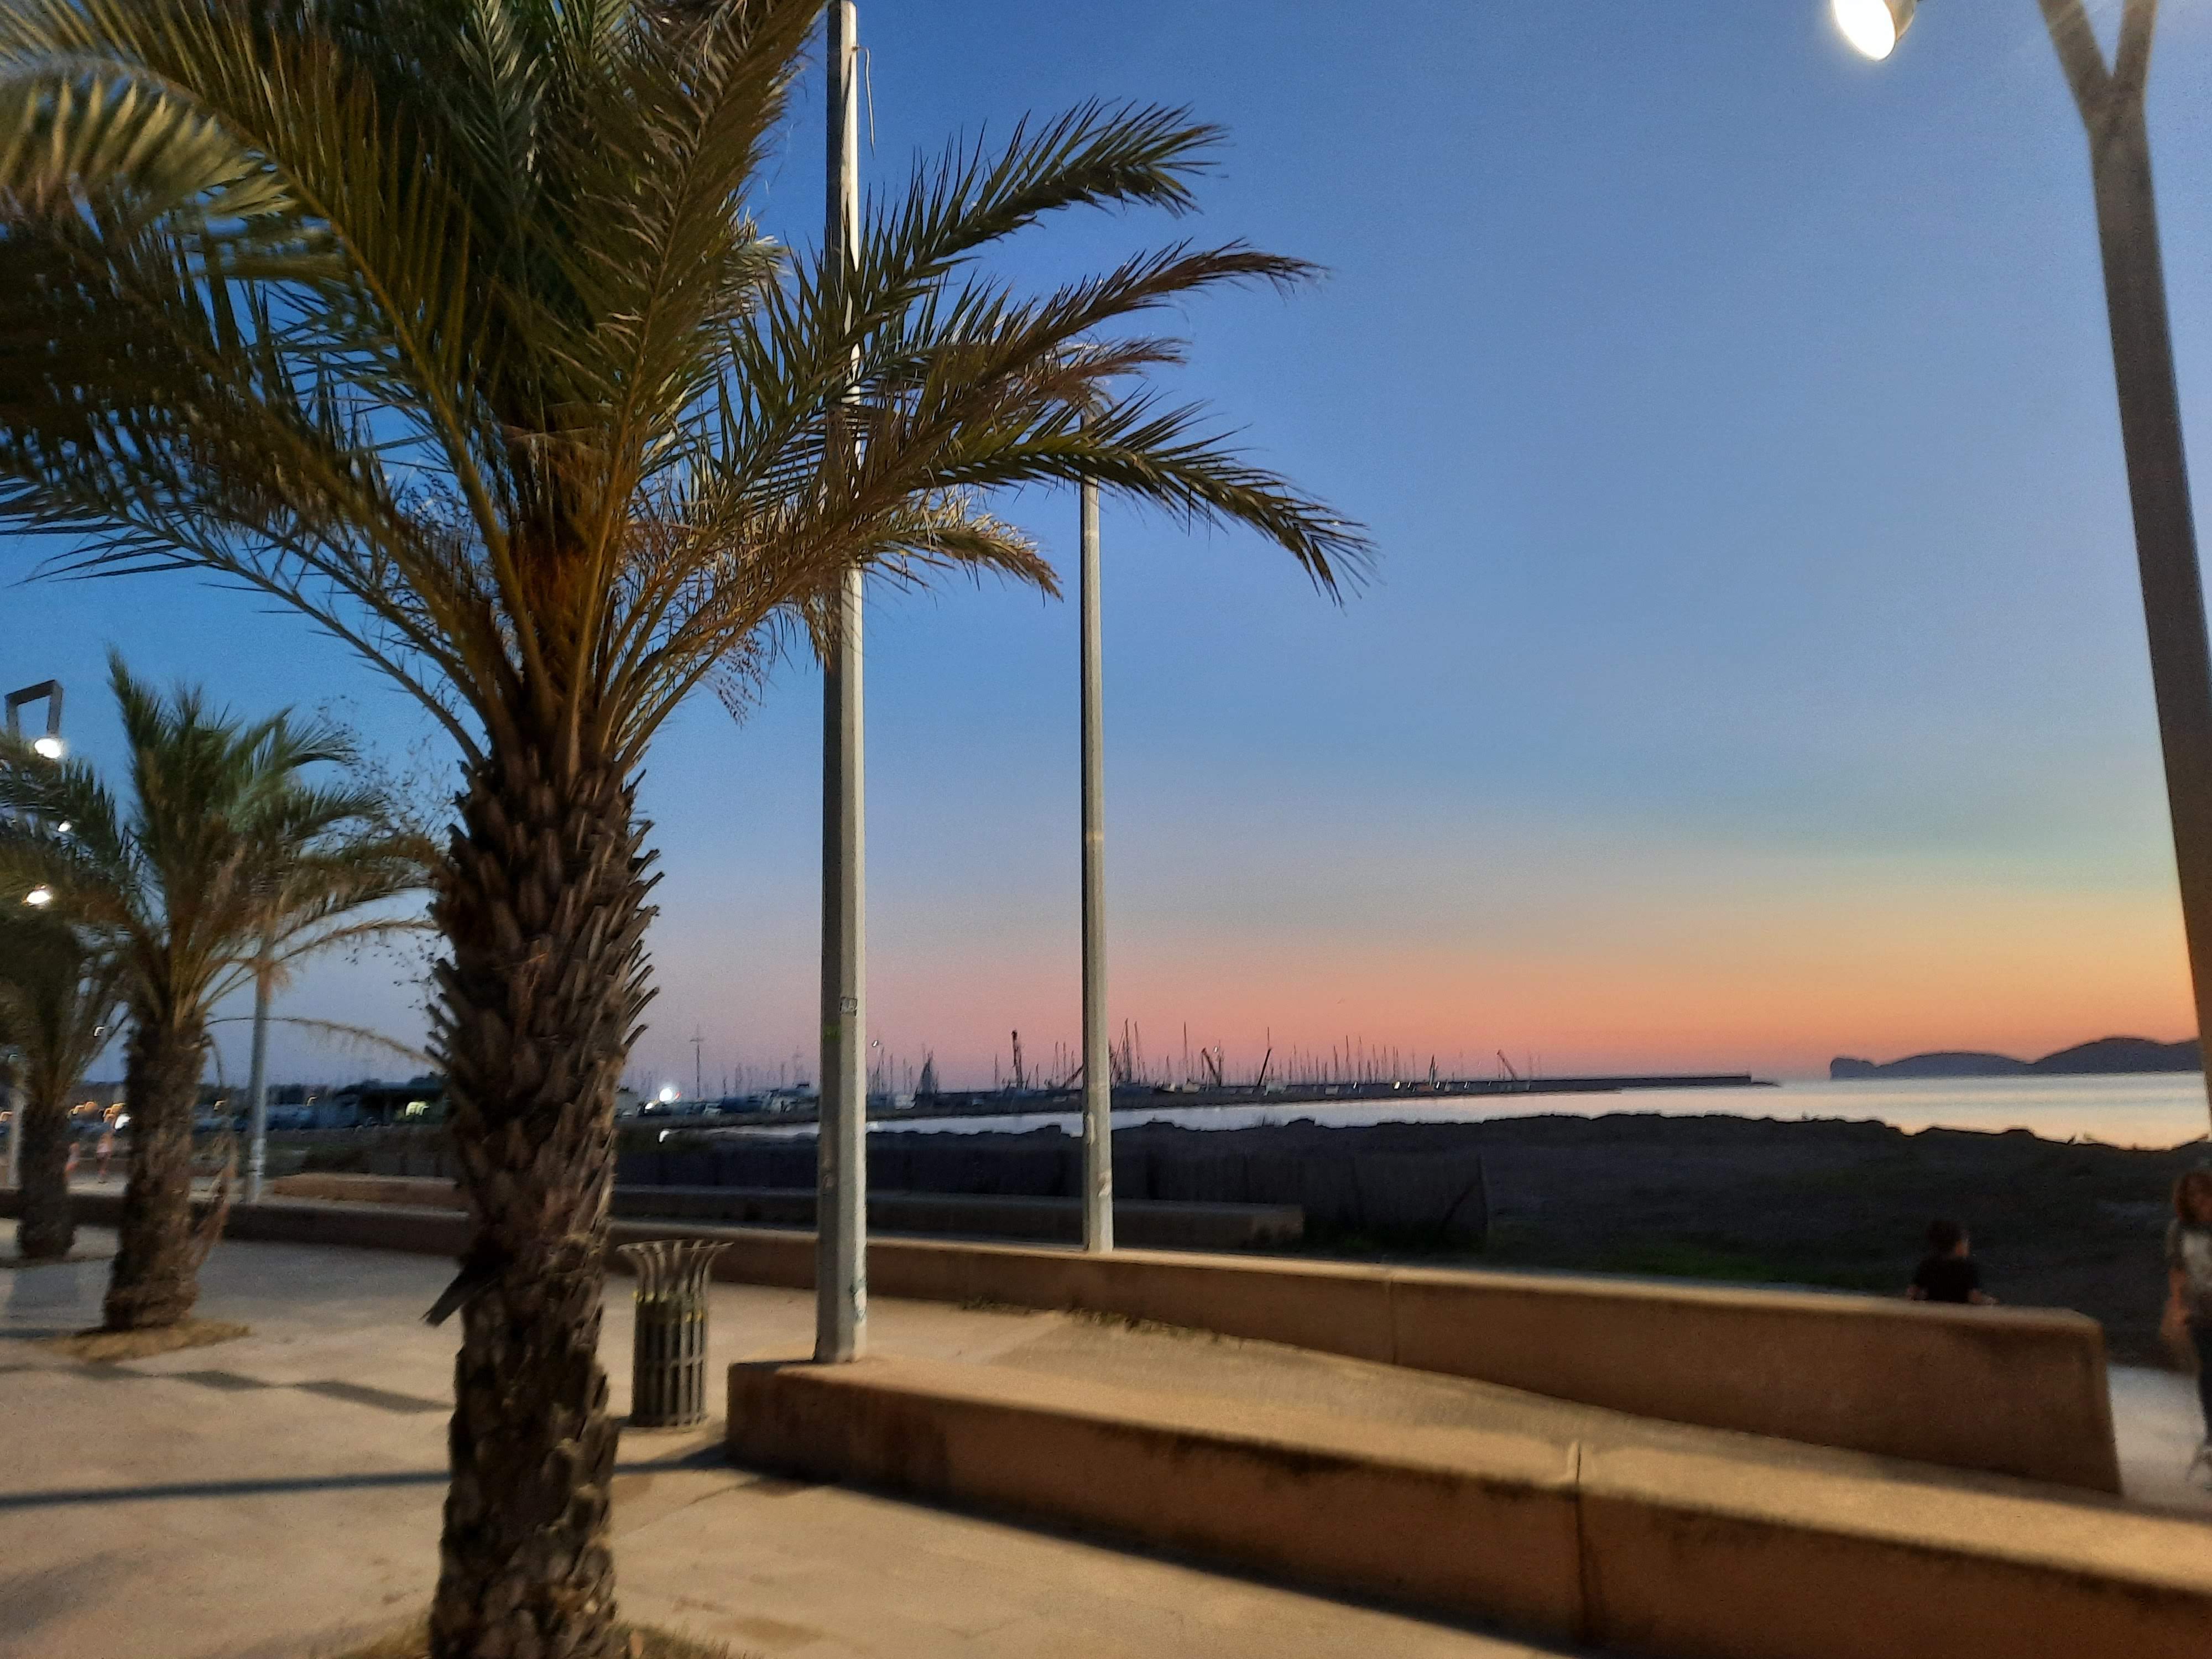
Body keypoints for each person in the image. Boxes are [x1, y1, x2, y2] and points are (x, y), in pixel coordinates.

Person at [2166, 1169, 2212, 1487]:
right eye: (2193, 1194)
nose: (2200, 1200)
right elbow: (2178, 1271)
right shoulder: (2180, 1230)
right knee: (2209, 1375)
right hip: (2201, 1312)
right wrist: (2178, 1307)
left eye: (2205, 1193)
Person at [1907, 1218, 1996, 1306]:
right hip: (1959, 1313)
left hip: (1934, 1312)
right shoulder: (1968, 1267)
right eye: (1965, 1242)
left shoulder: (1928, 1265)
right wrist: (1988, 1301)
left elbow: (1913, 1292)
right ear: (1958, 1245)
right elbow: (1974, 1298)